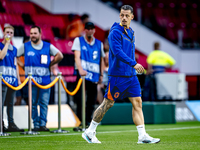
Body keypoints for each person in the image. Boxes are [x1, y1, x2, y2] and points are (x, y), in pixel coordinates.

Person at [82, 5, 160, 144]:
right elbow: (117, 52)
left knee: (137, 103)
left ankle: (142, 136)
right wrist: (134, 64)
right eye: (122, 15)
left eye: (126, 15)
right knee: (108, 104)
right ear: (119, 16)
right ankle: (89, 131)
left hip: (131, 75)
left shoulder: (131, 32)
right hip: (117, 76)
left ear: (132, 17)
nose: (124, 18)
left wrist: (132, 67)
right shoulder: (115, 32)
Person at [17, 25, 63, 131]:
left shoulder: (48, 46)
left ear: (40, 34)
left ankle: (43, 124)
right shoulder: (25, 46)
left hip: (45, 81)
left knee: (44, 103)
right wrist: (22, 65)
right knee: (32, 103)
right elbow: (14, 55)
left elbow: (60, 55)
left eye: (35, 33)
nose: (32, 35)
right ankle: (36, 124)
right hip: (31, 82)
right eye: (31, 33)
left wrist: (51, 64)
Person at [72, 22, 105, 131]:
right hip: (82, 74)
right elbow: (77, 57)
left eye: (92, 29)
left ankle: (88, 121)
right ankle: (81, 122)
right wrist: (80, 69)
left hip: (94, 75)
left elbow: (101, 60)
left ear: (94, 30)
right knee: (80, 98)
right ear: (85, 30)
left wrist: (101, 74)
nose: (90, 30)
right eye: (88, 29)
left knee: (91, 100)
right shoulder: (78, 40)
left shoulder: (99, 44)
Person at [0, 25, 24, 132]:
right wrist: (7, 44)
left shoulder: (15, 50)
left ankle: (11, 123)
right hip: (3, 79)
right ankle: (1, 123)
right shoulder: (1, 46)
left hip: (12, 79)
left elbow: (15, 65)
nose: (9, 34)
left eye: (11, 32)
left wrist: (18, 79)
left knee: (10, 103)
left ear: (13, 34)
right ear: (4, 34)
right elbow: (1, 56)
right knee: (1, 103)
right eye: (7, 32)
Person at [15, 36, 30, 105]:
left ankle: (30, 115)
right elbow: (15, 59)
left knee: (28, 100)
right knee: (18, 99)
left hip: (27, 81)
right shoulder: (19, 51)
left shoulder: (31, 53)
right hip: (19, 79)